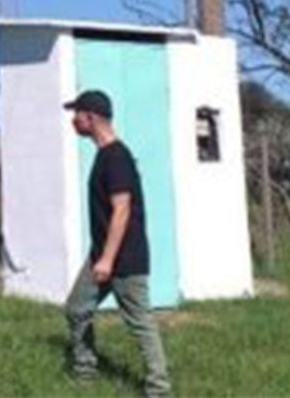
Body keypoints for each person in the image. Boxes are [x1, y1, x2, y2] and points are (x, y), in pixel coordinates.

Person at [62, 89, 171, 398]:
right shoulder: (104, 155)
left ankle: (158, 388)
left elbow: (122, 209)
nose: (73, 120)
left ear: (91, 118)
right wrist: (100, 257)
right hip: (101, 254)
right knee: (76, 309)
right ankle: (85, 369)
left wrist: (108, 260)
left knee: (140, 322)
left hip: (124, 257)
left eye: (77, 114)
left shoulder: (117, 157)